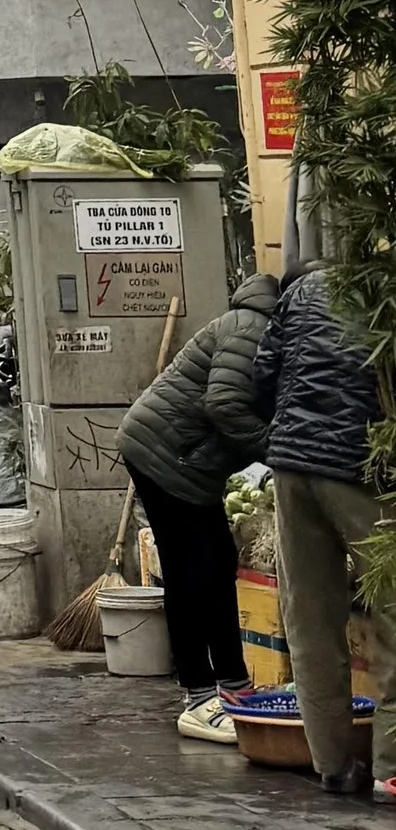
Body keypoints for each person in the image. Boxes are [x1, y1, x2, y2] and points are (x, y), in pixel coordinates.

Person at [249, 264, 395, 801]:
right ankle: (390, 769)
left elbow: (261, 375)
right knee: (393, 615)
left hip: (292, 468)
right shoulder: (383, 290)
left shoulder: (306, 288)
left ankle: (333, 765)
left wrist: (290, 431)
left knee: (309, 617)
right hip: (363, 468)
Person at [117, 269, 277, 741]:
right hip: (165, 455)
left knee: (216, 561)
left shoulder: (259, 326)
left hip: (189, 462)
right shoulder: (251, 328)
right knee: (190, 574)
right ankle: (198, 696)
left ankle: (232, 683)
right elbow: (224, 405)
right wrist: (277, 447)